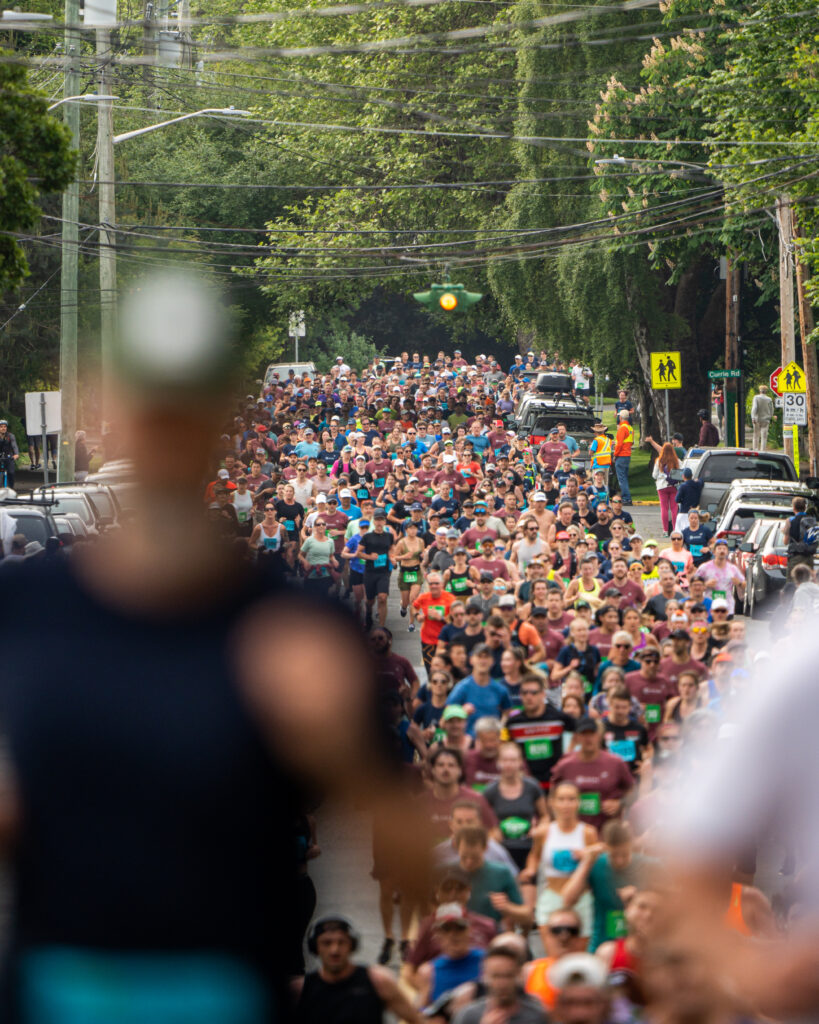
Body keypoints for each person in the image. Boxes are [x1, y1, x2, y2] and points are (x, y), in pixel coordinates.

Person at [293, 915, 423, 1024]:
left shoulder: (378, 981)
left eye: (341, 942)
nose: (334, 950)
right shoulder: (300, 989)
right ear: (315, 947)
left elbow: (415, 1020)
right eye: (326, 943)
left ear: (352, 945)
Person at [561, 821, 655, 953]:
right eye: (614, 855)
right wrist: (587, 861)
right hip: (602, 946)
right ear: (606, 848)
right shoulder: (597, 864)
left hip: (640, 949)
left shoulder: (651, 866)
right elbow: (567, 900)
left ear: (631, 846)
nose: (619, 861)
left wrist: (639, 897)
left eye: (624, 854)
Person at [523, 780, 598, 943]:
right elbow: (534, 855)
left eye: (571, 799)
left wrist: (588, 855)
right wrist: (531, 869)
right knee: (553, 954)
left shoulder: (588, 833)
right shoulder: (545, 832)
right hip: (552, 896)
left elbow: (597, 862)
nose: (566, 804)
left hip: (580, 899)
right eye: (561, 799)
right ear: (552, 803)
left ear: (578, 803)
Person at [550, 718, 634, 831]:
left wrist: (620, 803)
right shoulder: (565, 765)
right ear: (577, 738)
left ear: (599, 736)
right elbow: (552, 794)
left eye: (592, 734)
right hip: (575, 833)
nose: (588, 739)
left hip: (607, 832)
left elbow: (633, 790)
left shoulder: (616, 763)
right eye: (584, 734)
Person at [483, 742, 548, 869]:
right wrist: (491, 831)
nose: (509, 765)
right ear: (498, 762)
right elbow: (481, 820)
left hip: (529, 849)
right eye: (505, 760)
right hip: (500, 851)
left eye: (513, 760)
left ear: (520, 762)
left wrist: (539, 830)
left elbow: (545, 816)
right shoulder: (490, 791)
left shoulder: (533, 786)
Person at [454, 826, 533, 928]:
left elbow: (526, 916)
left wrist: (507, 907)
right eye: (464, 857)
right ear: (456, 847)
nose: (469, 862)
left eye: (475, 857)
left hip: (489, 933)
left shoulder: (500, 872)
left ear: (485, 848)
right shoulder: (446, 871)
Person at [413, 904, 486, 1012]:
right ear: (437, 935)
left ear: (470, 930)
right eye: (446, 929)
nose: (453, 935)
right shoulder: (428, 971)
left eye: (459, 928)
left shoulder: (486, 961)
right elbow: (419, 1013)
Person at [452, 945, 547, 1024]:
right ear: (484, 977)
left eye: (508, 976)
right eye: (496, 976)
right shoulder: (468, 1016)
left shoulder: (537, 1015)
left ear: (519, 975)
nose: (502, 983)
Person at [523, 908, 587, 1012]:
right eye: (557, 930)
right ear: (546, 935)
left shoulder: (592, 972)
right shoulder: (529, 971)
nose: (564, 936)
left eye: (572, 930)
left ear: (580, 937)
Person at [414, 574, 457, 674]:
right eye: (431, 584)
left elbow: (455, 622)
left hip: (445, 642)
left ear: (442, 584)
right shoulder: (424, 597)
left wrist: (441, 618)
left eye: (436, 583)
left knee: (446, 672)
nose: (433, 586)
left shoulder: (450, 599)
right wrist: (417, 616)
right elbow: (414, 606)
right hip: (428, 641)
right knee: (431, 672)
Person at [359, 508, 395, 627]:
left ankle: (381, 627)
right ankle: (368, 613)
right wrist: (369, 556)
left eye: (381, 520)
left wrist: (392, 558)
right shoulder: (367, 537)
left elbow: (391, 549)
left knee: (382, 597)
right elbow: (358, 553)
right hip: (370, 572)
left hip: (384, 572)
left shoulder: (389, 536)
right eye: (377, 520)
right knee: (370, 601)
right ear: (374, 522)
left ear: (385, 522)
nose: (379, 522)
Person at [782, 494, 818, 574]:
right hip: (809, 558)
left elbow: (785, 541)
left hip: (795, 558)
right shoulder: (812, 521)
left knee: (793, 583)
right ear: (805, 508)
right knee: (807, 581)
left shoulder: (790, 520)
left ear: (793, 508)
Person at [651, 443, 679, 536]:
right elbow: (681, 473)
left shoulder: (659, 461)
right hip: (674, 486)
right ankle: (675, 529)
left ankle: (665, 531)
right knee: (674, 508)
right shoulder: (676, 460)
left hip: (662, 486)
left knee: (664, 508)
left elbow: (654, 475)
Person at [612, 411, 633, 506]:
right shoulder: (630, 428)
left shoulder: (622, 429)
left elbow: (619, 444)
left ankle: (626, 498)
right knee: (624, 477)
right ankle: (627, 497)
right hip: (627, 455)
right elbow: (630, 443)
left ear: (620, 418)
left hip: (621, 455)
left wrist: (615, 455)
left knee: (622, 479)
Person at [750, 384, 774, 451]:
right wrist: (771, 416)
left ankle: (755, 449)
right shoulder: (769, 399)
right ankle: (763, 450)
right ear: (766, 391)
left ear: (760, 391)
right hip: (766, 420)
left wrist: (753, 417)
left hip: (757, 419)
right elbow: (772, 409)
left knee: (756, 435)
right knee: (764, 436)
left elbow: (754, 408)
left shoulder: (756, 397)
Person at [0, 419, 20, 488]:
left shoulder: (10, 436)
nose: (3, 428)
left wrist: (16, 454)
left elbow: (14, 446)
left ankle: (11, 488)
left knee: (11, 473)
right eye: (1, 426)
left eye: (5, 426)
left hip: (9, 457)